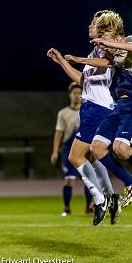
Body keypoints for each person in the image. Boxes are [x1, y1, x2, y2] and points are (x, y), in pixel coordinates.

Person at [47, 10, 132, 226]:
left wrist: (79, 58)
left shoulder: (105, 48)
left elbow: (108, 63)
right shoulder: (95, 51)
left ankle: (100, 200)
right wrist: (62, 61)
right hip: (93, 107)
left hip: (98, 108)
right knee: (90, 156)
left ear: (101, 27)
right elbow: (82, 79)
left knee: (74, 157)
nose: (89, 25)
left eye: (93, 22)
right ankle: (111, 196)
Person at [78, 21, 132, 208]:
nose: (103, 41)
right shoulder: (114, 55)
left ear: (116, 36)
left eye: (106, 37)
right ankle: (130, 183)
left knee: (120, 149)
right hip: (118, 105)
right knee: (97, 148)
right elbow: (103, 63)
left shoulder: (129, 41)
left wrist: (110, 44)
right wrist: (79, 59)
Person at [51, 81, 93, 216]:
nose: (77, 95)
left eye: (80, 93)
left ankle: (89, 206)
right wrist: (54, 151)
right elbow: (59, 132)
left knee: (88, 179)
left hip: (85, 148)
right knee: (69, 179)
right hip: (69, 149)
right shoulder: (63, 113)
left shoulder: (88, 111)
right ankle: (67, 207)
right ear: (69, 95)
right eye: (74, 93)